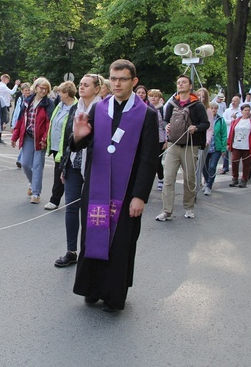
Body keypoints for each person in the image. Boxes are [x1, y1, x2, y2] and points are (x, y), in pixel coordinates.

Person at [69, 59, 159, 312]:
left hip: (127, 191)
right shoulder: (99, 110)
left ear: (134, 81)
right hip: (96, 188)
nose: (117, 83)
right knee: (91, 237)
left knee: (120, 243)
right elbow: (79, 144)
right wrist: (77, 136)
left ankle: (113, 294)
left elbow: (148, 159)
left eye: (123, 79)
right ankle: (91, 288)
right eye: (114, 78)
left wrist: (140, 195)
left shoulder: (147, 115)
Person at [54, 74, 101, 268]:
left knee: (92, 210)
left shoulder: (103, 109)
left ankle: (90, 251)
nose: (81, 87)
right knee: (71, 207)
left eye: (86, 85)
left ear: (97, 88)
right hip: (73, 164)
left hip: (93, 165)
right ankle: (71, 251)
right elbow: (67, 139)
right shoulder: (75, 108)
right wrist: (64, 165)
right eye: (80, 84)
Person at [156, 75, 209, 221]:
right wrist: (166, 125)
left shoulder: (197, 105)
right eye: (178, 82)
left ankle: (189, 207)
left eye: (184, 82)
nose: (180, 84)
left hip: (190, 146)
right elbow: (166, 119)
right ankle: (167, 211)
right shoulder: (172, 104)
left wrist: (196, 128)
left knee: (189, 178)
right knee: (168, 178)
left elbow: (206, 124)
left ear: (190, 86)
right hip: (173, 145)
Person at [12, 77, 54, 204]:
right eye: (41, 88)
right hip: (28, 137)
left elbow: (49, 123)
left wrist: (45, 138)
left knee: (37, 166)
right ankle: (32, 183)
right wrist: (15, 136)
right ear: (36, 88)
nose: (43, 90)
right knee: (24, 163)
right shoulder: (27, 101)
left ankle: (36, 193)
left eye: (46, 89)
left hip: (40, 139)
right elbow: (20, 120)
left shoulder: (48, 103)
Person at [45, 81, 77, 210]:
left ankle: (55, 200)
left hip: (65, 146)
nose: (58, 94)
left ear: (67, 94)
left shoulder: (75, 107)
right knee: (60, 172)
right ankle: (64, 198)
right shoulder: (60, 105)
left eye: (60, 92)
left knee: (60, 172)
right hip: (55, 145)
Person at [227, 103, 251, 188]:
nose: (247, 112)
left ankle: (244, 179)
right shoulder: (236, 121)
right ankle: (235, 178)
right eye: (245, 110)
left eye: (248, 110)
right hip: (237, 145)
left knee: (246, 163)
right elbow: (232, 132)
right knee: (234, 161)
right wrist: (228, 143)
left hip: (247, 146)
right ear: (241, 111)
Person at [202, 101, 227, 195]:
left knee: (212, 166)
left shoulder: (220, 120)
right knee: (204, 166)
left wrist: (223, 148)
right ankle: (207, 180)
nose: (214, 110)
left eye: (215, 108)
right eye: (212, 108)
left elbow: (224, 135)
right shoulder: (205, 119)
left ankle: (209, 185)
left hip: (216, 147)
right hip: (205, 146)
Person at [147, 89, 167, 191]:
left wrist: (166, 140)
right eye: (151, 96)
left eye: (156, 96)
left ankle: (160, 179)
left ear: (159, 98)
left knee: (157, 161)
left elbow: (165, 125)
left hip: (160, 138)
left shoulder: (162, 109)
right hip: (149, 137)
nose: (153, 98)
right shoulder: (146, 108)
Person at [11, 82, 31, 169]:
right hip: (20, 121)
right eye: (25, 90)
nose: (27, 92)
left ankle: (20, 159)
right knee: (24, 142)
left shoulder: (31, 100)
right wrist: (13, 124)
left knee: (25, 142)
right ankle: (21, 159)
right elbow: (16, 111)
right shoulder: (20, 99)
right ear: (22, 91)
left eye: (28, 90)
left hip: (27, 123)